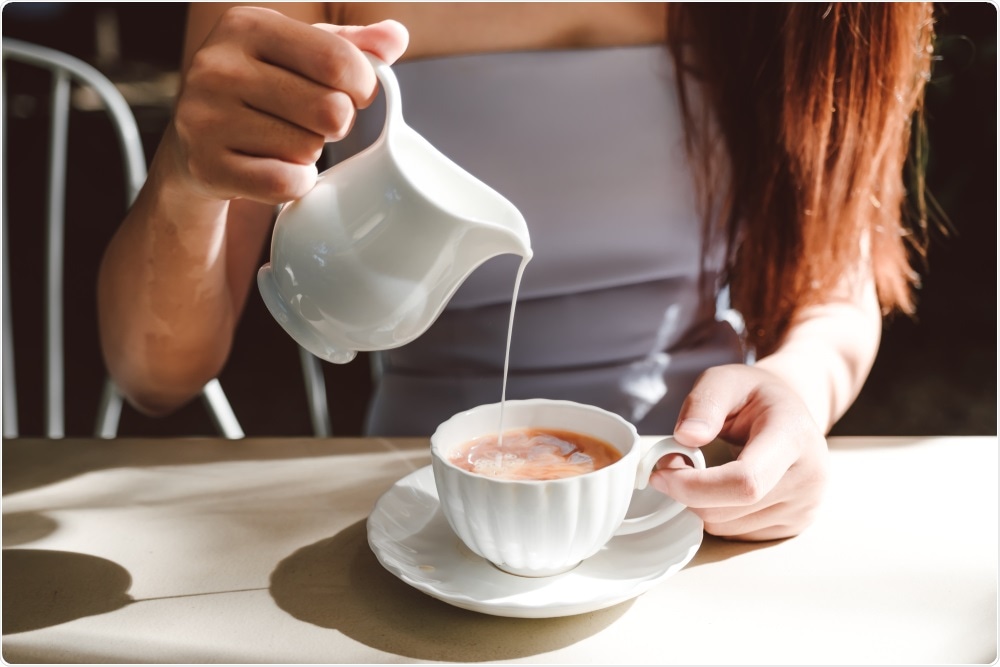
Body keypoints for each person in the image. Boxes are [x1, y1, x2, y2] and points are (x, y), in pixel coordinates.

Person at [97, 3, 937, 541]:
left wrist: (795, 390)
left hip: (694, 507)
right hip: (410, 511)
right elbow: (155, 371)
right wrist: (184, 176)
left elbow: (836, 278)